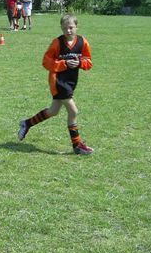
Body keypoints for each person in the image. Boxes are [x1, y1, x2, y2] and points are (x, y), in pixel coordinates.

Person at [18, 14, 94, 155]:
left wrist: (80, 63)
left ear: (77, 27)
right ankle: (77, 145)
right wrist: (64, 63)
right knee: (73, 111)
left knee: (53, 111)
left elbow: (89, 62)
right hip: (57, 81)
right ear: (61, 28)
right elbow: (46, 62)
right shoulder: (57, 43)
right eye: (65, 28)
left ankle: (27, 123)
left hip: (71, 82)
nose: (68, 31)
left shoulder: (83, 42)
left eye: (71, 27)